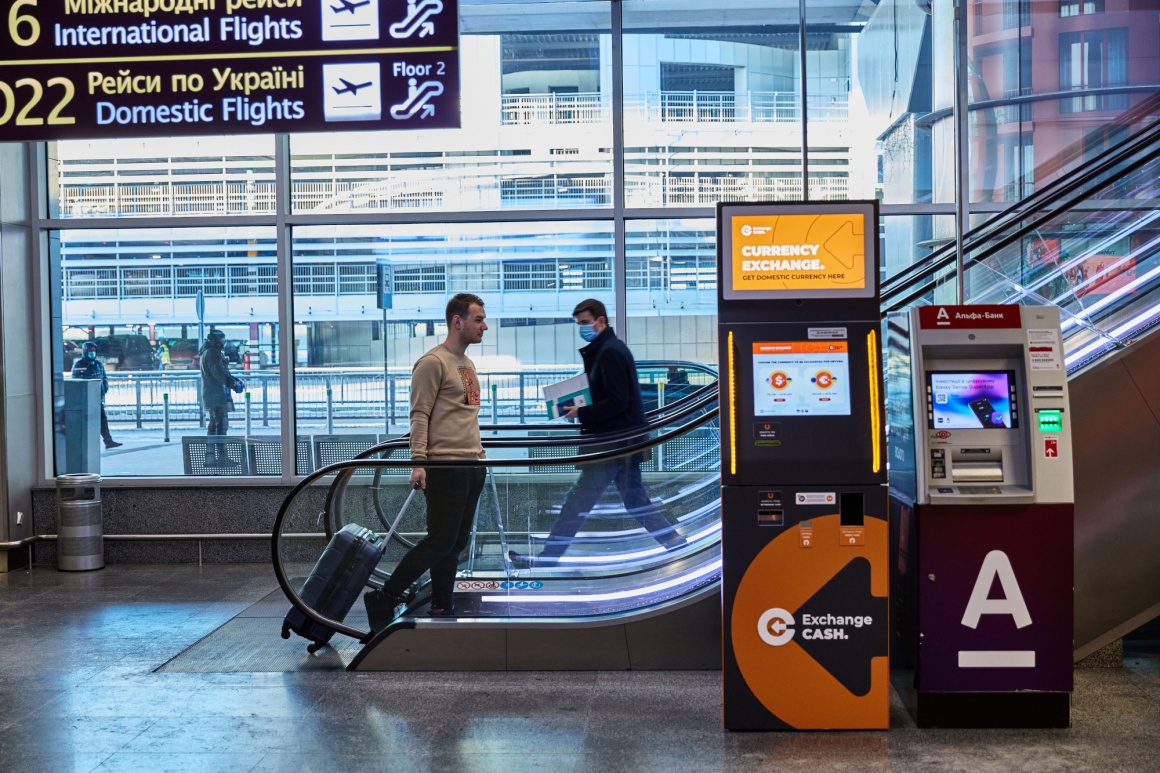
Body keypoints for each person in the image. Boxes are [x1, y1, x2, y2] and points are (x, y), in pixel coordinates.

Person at [509, 299, 686, 568]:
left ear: (601, 321)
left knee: (577, 503)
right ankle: (676, 544)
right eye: (579, 324)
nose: (582, 328)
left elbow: (618, 400)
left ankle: (548, 559)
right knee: (634, 501)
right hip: (619, 444)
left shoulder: (610, 352)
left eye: (585, 323)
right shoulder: (607, 349)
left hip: (612, 446)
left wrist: (580, 412)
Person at [364, 293, 488, 630]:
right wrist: (418, 462)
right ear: (457, 321)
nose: (484, 326)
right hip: (445, 465)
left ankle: (442, 603)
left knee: (456, 542)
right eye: (478, 319)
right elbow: (419, 416)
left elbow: (465, 416)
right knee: (440, 540)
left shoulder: (467, 365)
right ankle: (386, 595)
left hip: (471, 465)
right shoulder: (432, 363)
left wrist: (479, 457)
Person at [199, 330, 244, 467]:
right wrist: (233, 383)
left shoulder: (207, 352)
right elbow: (219, 373)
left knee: (214, 427)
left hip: (212, 396)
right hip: (217, 397)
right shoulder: (212, 353)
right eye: (223, 341)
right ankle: (222, 458)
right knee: (221, 427)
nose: (224, 344)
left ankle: (211, 459)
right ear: (217, 341)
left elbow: (221, 372)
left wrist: (233, 380)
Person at [70, 341, 122, 450]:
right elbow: (76, 381)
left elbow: (104, 378)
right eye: (90, 351)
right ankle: (85, 442)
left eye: (93, 350)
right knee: (87, 421)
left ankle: (108, 441)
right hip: (85, 398)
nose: (92, 353)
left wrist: (104, 389)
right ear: (85, 351)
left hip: (97, 398)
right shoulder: (79, 364)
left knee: (102, 419)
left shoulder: (98, 364)